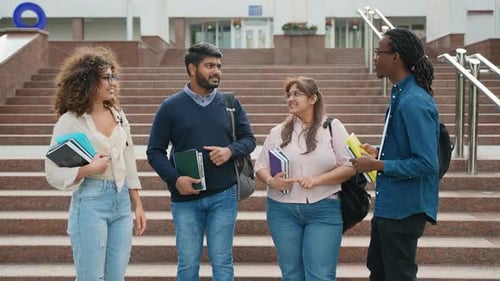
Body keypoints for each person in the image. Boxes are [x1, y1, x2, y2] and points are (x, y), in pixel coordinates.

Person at [146, 42, 256, 281]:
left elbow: (249, 140)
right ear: (192, 69)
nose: (216, 71)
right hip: (185, 199)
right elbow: (154, 151)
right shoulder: (170, 107)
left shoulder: (230, 103)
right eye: (209, 66)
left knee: (223, 263)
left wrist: (230, 151)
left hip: (224, 195)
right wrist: (176, 180)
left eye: (218, 66)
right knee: (187, 264)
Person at [44, 46, 146, 281]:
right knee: (91, 278)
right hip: (90, 202)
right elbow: (52, 171)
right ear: (88, 81)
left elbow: (129, 160)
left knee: (115, 277)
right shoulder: (70, 122)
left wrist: (137, 204)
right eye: (106, 77)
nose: (113, 82)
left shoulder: (119, 115)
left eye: (113, 76)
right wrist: (89, 168)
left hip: (121, 203)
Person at [351, 28, 439, 281]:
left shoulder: (414, 101)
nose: (375, 57)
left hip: (405, 209)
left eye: (379, 52)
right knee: (379, 272)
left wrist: (377, 164)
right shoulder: (401, 95)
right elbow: (406, 150)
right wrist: (377, 153)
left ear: (396, 58)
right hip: (390, 206)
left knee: (398, 275)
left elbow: (426, 163)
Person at [254, 76, 356, 280]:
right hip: (281, 210)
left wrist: (317, 180)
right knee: (291, 274)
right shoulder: (278, 132)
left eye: (296, 94)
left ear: (313, 98)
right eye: (288, 95)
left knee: (320, 275)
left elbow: (350, 165)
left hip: (323, 209)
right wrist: (272, 181)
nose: (290, 99)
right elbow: (260, 165)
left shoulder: (332, 127)